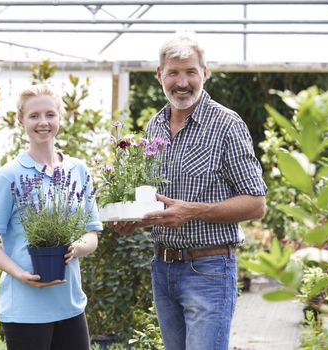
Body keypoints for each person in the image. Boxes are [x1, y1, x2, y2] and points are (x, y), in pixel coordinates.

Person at [112, 31, 267, 350]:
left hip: (208, 270)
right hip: (163, 268)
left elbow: (256, 203)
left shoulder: (227, 125)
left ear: (205, 73)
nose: (182, 82)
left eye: (191, 72)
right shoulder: (155, 127)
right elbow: (159, 203)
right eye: (173, 73)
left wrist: (193, 211)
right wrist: (137, 220)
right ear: (160, 75)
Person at [0, 83, 102, 350]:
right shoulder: (8, 176)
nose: (42, 122)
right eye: (34, 116)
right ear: (20, 120)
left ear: (59, 117)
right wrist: (20, 273)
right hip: (25, 309)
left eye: (50, 114)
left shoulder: (78, 170)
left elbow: (92, 233)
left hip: (70, 306)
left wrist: (77, 248)